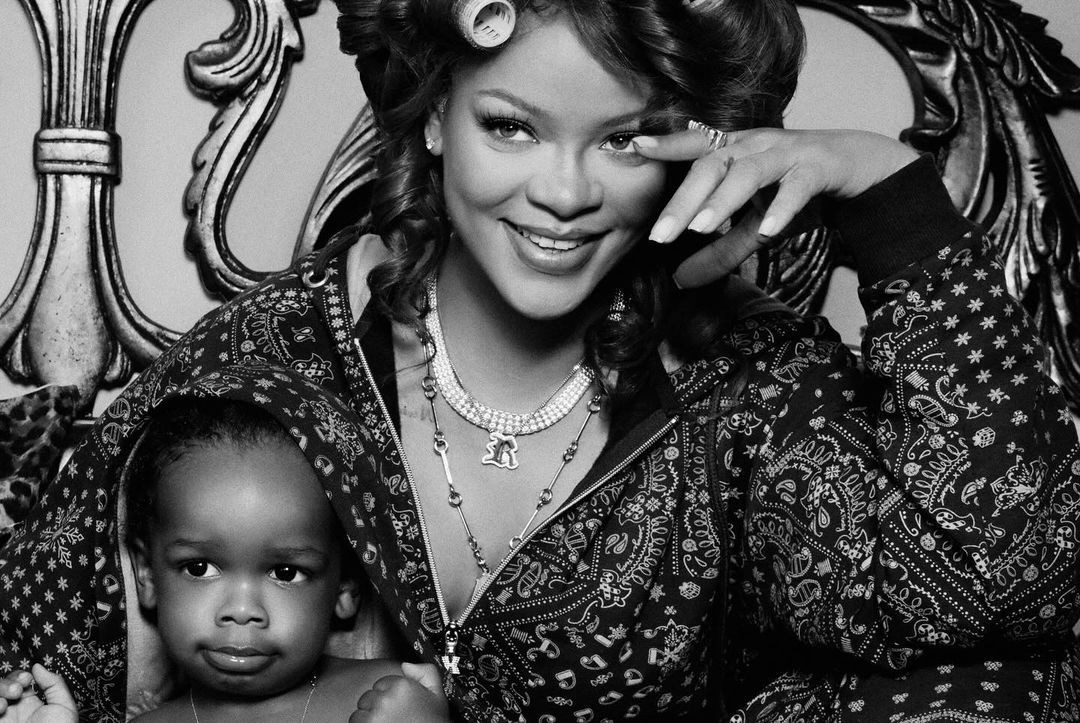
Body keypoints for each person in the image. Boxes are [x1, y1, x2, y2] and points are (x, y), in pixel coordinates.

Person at [1, 0, 1078, 720]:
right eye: (512, 126)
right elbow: (52, 635)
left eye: (624, 139)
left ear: (694, 146)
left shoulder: (741, 383)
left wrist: (886, 196)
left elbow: (1003, 587)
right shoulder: (275, 354)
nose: (563, 194)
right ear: (435, 117)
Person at [0, 368, 448, 723]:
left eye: (285, 572)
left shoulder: (392, 694)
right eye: (199, 568)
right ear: (147, 574)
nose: (241, 610)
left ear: (345, 587)